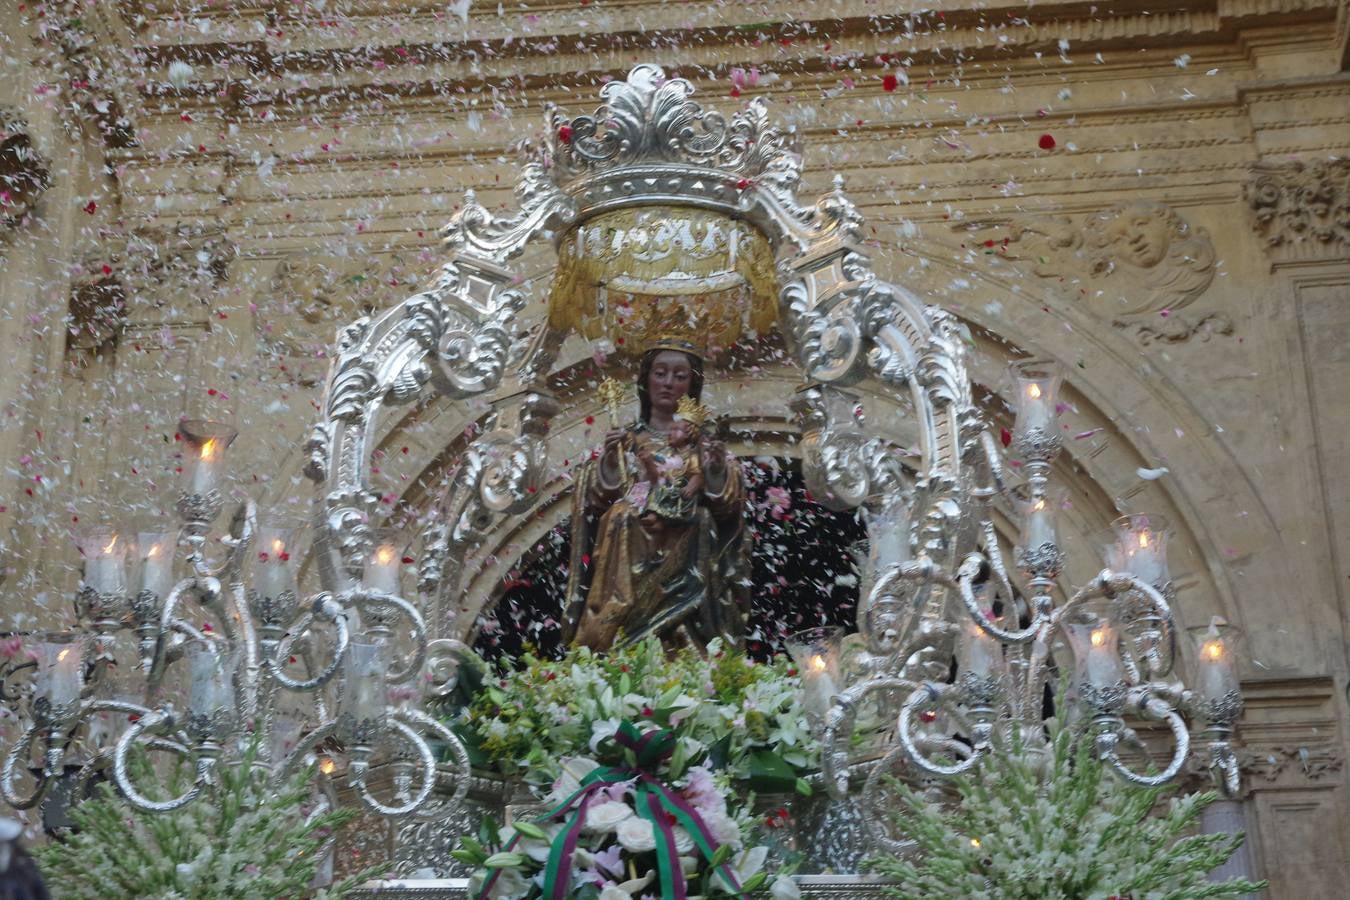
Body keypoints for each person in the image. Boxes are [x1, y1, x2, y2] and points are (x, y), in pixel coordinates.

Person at [563, 344, 748, 652]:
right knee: (621, 514)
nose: (668, 383)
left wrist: (714, 468)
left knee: (700, 519)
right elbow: (598, 497)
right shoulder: (627, 438)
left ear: (692, 386)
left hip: (687, 536)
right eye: (660, 374)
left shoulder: (703, 444)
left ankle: (686, 634)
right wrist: (611, 457)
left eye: (679, 376)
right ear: (646, 381)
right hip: (632, 535)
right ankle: (617, 624)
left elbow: (726, 503)